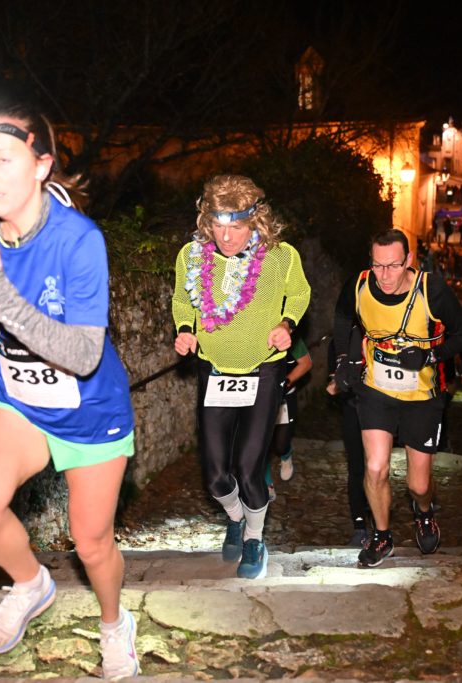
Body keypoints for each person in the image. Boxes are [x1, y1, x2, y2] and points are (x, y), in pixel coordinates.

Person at [0, 104, 138, 679]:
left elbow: (82, 355)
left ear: (41, 165)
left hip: (91, 410)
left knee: (92, 542)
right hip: (20, 401)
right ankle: (30, 584)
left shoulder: (79, 241)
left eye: (3, 160)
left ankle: (114, 624)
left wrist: (1, 302)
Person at [172, 175, 310, 580]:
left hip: (264, 370)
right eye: (217, 226)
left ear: (255, 221)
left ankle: (254, 538)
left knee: (250, 469)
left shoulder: (280, 256)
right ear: (206, 222)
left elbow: (299, 293)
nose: (226, 236)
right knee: (216, 476)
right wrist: (185, 329)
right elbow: (182, 298)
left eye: (236, 226)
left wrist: (286, 323)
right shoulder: (191, 256)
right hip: (215, 370)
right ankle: (235, 517)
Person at [333, 229, 462, 566]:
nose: (384, 275)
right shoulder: (359, 285)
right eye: (378, 265)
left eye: (393, 266)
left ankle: (424, 511)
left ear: (409, 260)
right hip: (376, 390)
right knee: (375, 466)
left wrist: (430, 356)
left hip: (422, 396)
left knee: (418, 485)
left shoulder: (431, 289)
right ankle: (382, 536)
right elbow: (342, 316)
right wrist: (343, 360)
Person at [326, 290, 371, 547]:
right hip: (353, 407)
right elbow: (333, 380)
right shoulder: (340, 341)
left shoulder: (382, 334)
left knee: (377, 467)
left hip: (379, 408)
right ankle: (360, 525)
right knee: (356, 467)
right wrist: (337, 383)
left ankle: (379, 524)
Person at [265, 336, 312, 500]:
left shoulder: (289, 337)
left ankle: (286, 454)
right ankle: (266, 484)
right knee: (260, 443)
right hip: (259, 399)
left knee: (280, 444)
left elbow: (306, 363)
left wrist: (287, 381)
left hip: (284, 397)